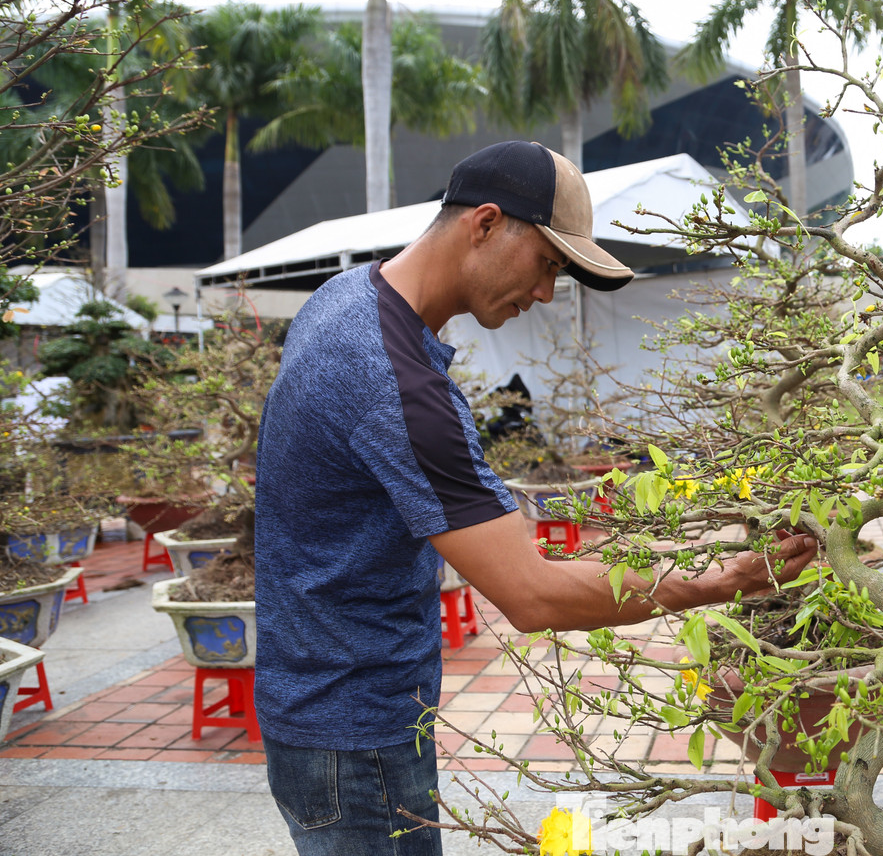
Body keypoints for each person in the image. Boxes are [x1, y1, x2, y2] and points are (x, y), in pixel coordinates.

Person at [254, 140, 819, 856]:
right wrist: (726, 578)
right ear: (485, 224)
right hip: (354, 732)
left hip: (318, 703)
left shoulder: (345, 298)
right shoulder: (397, 383)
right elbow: (534, 595)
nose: (546, 293)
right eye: (548, 264)